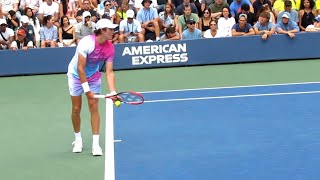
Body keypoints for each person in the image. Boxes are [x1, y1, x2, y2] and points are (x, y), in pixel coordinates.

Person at [67, 19, 118, 156]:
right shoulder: (86, 43)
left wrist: (113, 91)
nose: (113, 32)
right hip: (76, 75)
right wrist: (87, 90)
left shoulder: (110, 47)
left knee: (94, 107)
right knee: (76, 108)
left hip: (94, 76)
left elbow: (109, 72)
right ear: (102, 30)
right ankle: (78, 140)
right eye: (110, 29)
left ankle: (96, 145)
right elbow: (80, 68)